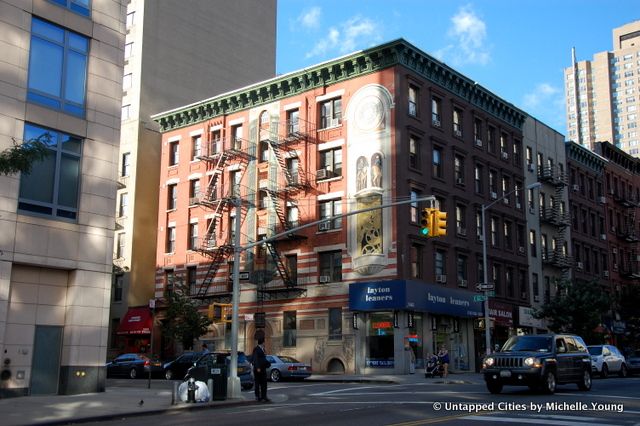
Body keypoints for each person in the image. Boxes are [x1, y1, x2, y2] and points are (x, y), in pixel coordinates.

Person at [252, 336, 271, 402]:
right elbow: (255, 359)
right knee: (257, 383)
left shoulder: (263, 349)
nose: (264, 343)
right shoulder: (256, 349)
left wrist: (267, 364)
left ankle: (264, 396)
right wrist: (257, 367)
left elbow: (263, 359)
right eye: (264, 342)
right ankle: (258, 396)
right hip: (258, 369)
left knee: (264, 383)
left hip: (263, 369)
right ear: (262, 342)